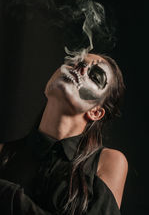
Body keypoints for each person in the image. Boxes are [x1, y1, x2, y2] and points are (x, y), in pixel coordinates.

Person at [0, 53, 128, 215]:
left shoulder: (108, 162)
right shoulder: (3, 154)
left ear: (96, 112)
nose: (80, 68)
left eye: (95, 76)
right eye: (74, 62)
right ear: (48, 85)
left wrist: (8, 195)